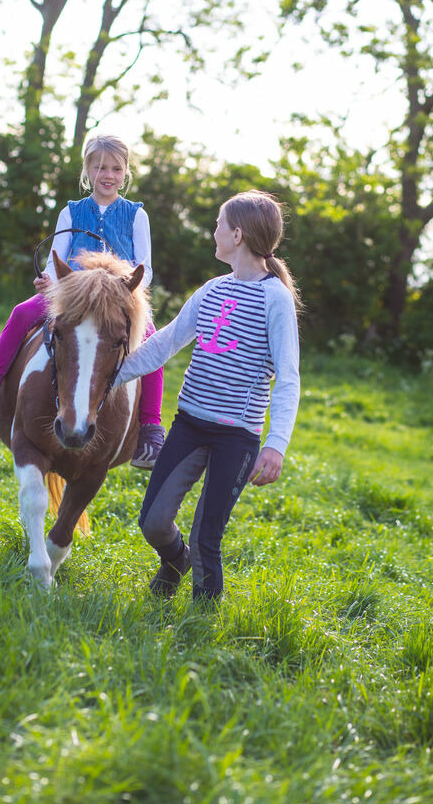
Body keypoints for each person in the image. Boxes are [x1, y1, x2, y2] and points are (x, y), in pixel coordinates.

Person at [112, 189, 301, 601]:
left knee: (205, 540)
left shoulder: (276, 300)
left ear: (237, 234)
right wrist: (109, 378)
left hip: (237, 437)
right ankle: (172, 561)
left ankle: (201, 628)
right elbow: (166, 343)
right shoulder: (213, 289)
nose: (212, 231)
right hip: (190, 426)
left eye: (218, 224)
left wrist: (276, 445)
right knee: (153, 522)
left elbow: (288, 378)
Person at [0, 134, 166, 469]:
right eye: (100, 167)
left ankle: (150, 428)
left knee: (152, 342)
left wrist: (128, 289)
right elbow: (55, 257)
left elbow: (145, 266)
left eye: (115, 168)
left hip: (119, 297)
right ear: (88, 170)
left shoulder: (137, 215)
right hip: (74, 294)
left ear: (125, 173)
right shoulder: (71, 212)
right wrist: (49, 281)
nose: (108, 174)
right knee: (21, 313)